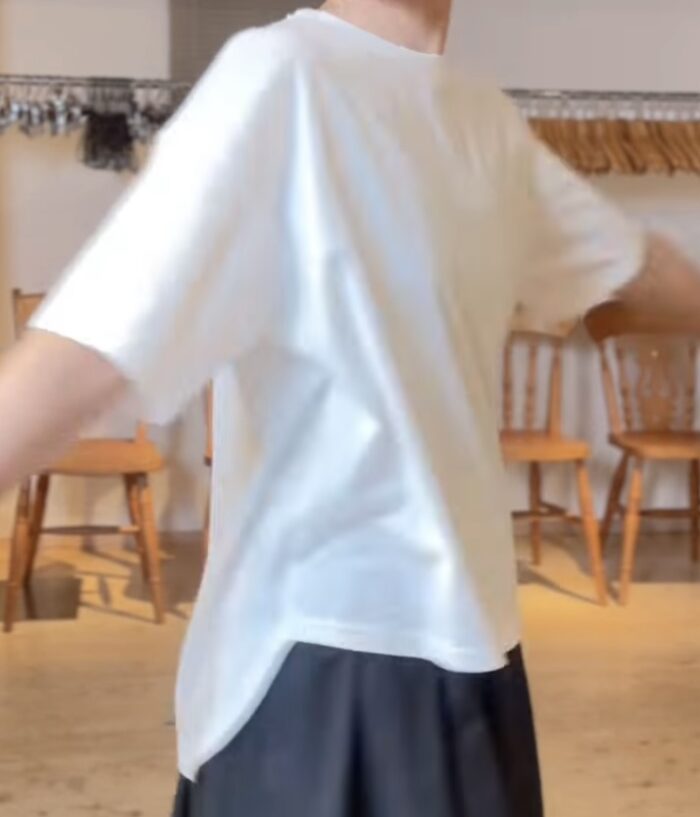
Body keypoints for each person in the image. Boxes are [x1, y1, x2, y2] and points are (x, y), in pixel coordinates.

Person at [2, 1, 700, 815]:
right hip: (320, 675)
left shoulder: (482, 121)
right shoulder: (284, 75)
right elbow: (79, 355)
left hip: (472, 667)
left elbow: (638, 269)